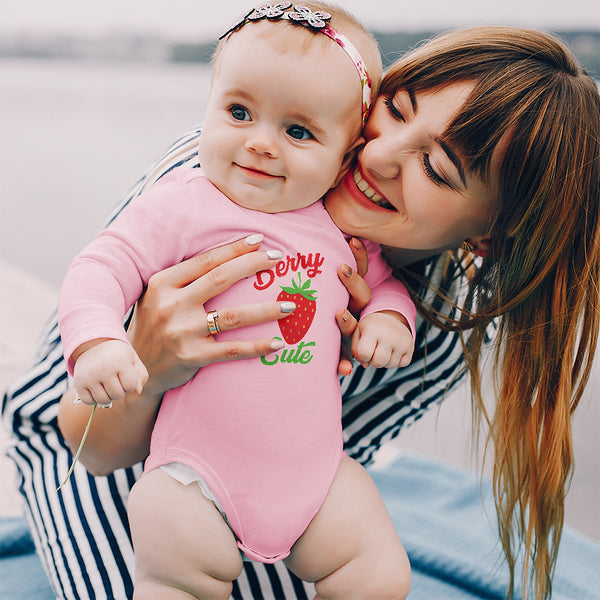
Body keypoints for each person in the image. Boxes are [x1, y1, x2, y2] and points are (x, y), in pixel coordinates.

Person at [3, 22, 599, 600]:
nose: (379, 157)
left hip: (256, 482)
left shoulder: (436, 332)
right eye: (395, 110)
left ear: (487, 237)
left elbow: (310, 480)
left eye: (437, 170)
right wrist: (150, 358)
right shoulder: (229, 169)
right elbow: (93, 446)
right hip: (86, 439)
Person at [57, 3, 414, 598]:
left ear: (347, 155)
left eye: (298, 131)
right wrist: (97, 342)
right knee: (177, 574)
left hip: (315, 476)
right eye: (239, 112)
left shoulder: (333, 225)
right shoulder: (186, 203)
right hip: (194, 476)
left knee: (378, 571)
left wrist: (388, 318)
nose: (259, 144)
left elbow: (383, 285)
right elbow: (100, 266)